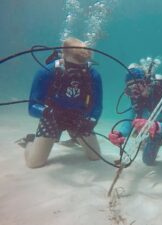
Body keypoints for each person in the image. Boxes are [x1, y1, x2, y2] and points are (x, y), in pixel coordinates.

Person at [22, 37, 103, 168]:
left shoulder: (93, 75)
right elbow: (32, 107)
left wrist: (91, 120)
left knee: (95, 157)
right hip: (52, 116)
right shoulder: (46, 72)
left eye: (82, 66)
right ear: (62, 55)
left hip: (79, 117)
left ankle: (74, 137)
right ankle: (30, 142)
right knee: (34, 163)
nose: (77, 72)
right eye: (72, 66)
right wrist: (48, 112)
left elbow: (97, 105)